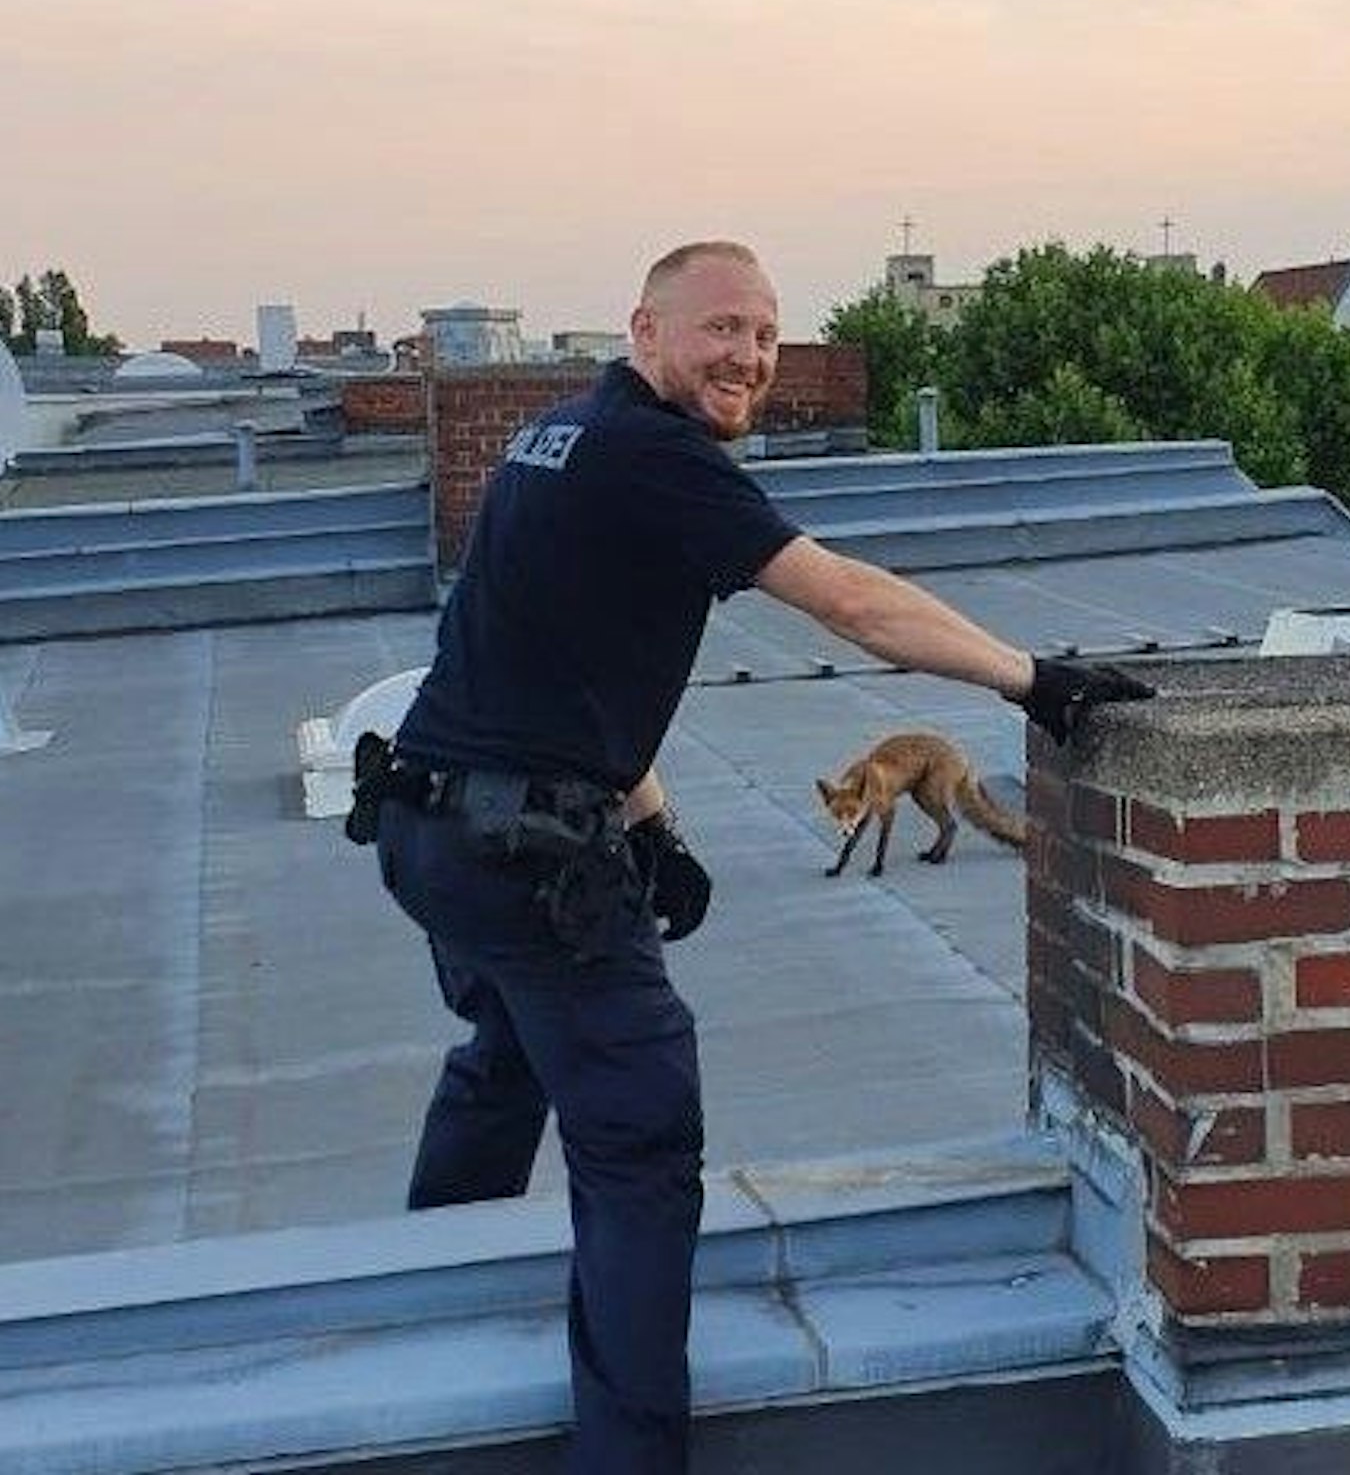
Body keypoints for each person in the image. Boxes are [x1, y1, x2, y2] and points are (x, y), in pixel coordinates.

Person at [368, 239, 1151, 1473]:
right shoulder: (657, 457)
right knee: (639, 1139)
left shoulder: (554, 438)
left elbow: (567, 669)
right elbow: (845, 601)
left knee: (506, 1057)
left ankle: (413, 1324)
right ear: (645, 333)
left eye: (765, 337)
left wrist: (653, 826)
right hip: (518, 849)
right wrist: (1030, 679)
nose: (747, 356)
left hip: (435, 828)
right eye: (720, 328)